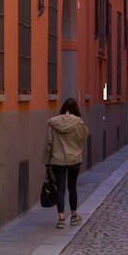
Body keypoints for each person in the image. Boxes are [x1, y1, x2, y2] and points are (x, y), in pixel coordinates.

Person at [43, 98, 89, 229]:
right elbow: (84, 136)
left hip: (57, 160)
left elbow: (49, 143)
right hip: (74, 159)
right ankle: (74, 216)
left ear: (64, 108)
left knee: (60, 189)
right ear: (75, 109)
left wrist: (47, 161)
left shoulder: (54, 122)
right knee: (72, 187)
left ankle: (61, 219)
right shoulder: (78, 122)